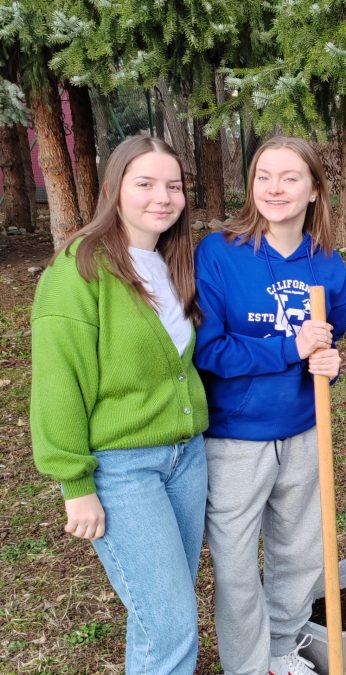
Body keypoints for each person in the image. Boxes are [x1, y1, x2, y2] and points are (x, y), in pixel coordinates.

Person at [31, 135, 208, 673]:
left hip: (185, 460)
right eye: (146, 184)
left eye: (173, 186)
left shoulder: (171, 261)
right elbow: (59, 381)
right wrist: (74, 483)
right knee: (173, 622)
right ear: (115, 189)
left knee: (158, 613)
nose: (162, 197)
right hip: (122, 471)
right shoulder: (78, 270)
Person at [195, 137, 346, 675]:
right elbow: (209, 350)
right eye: (264, 176)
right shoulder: (219, 252)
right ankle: (246, 666)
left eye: (289, 177)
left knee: (300, 554)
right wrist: (291, 347)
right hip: (235, 437)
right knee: (237, 567)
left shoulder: (328, 265)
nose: (275, 188)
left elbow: (329, 342)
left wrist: (328, 360)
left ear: (313, 190)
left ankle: (282, 649)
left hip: (305, 429)